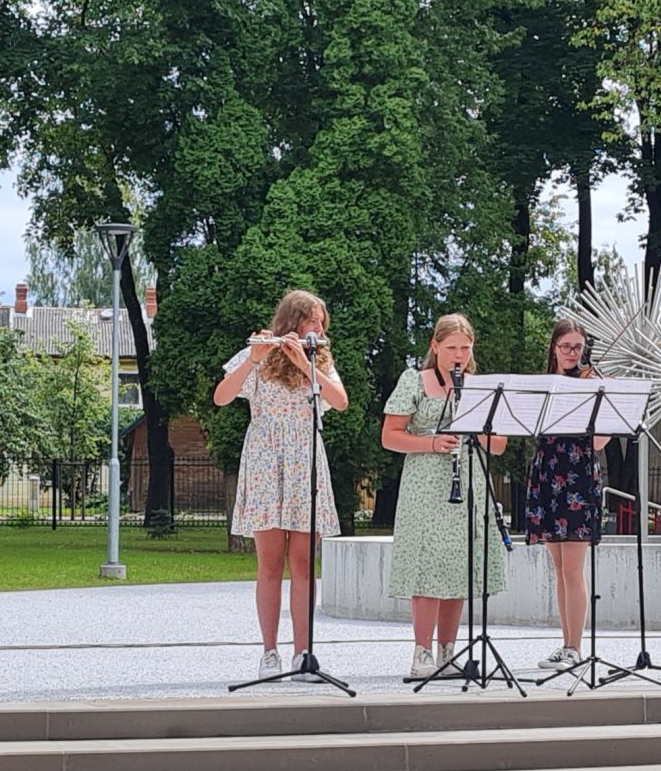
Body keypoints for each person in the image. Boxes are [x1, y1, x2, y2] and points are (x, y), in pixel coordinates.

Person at [213, 289, 347, 678]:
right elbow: (221, 397)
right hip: (265, 460)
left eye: (321, 321)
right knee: (269, 563)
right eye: (312, 319)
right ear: (293, 321)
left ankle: (303, 653)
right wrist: (253, 359)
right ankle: (269, 652)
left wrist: (306, 365)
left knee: (303, 563)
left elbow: (340, 401)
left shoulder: (319, 359)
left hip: (304, 458)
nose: (319, 326)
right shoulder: (260, 353)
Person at [380, 314, 509, 679]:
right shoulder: (414, 380)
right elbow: (390, 436)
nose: (458, 355)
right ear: (434, 346)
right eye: (451, 348)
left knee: (458, 564)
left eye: (465, 348)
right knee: (427, 563)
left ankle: (447, 652)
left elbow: (499, 446)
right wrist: (432, 443)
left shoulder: (480, 387)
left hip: (469, 479)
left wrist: (477, 429)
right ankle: (421, 652)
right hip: (425, 482)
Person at [524, 321, 608, 670]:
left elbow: (600, 442)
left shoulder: (593, 384)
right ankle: (566, 643)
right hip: (547, 474)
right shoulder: (543, 386)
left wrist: (599, 396)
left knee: (573, 569)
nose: (574, 354)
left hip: (577, 478)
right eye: (567, 347)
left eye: (579, 347)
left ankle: (575, 648)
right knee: (559, 569)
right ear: (554, 348)